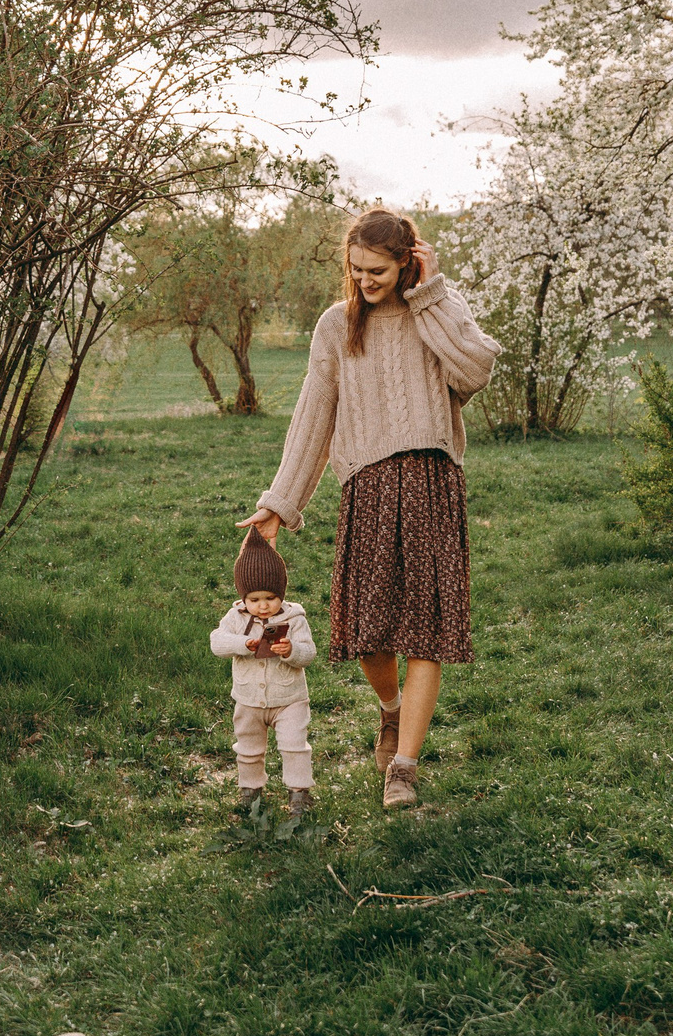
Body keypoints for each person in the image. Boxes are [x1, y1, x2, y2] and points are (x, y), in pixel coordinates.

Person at [239, 207, 500, 810]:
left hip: (433, 484)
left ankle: (403, 768)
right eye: (355, 269)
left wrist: (431, 293)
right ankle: (390, 707)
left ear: (407, 261)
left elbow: (476, 370)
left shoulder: (435, 307)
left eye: (377, 270)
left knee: (426, 634)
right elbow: (313, 416)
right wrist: (280, 502)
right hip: (369, 488)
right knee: (371, 637)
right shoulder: (337, 326)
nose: (365, 280)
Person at [210, 528, 319, 816]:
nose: (263, 606)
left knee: (295, 746)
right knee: (248, 746)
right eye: (254, 599)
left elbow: (309, 653)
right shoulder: (235, 617)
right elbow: (217, 643)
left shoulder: (294, 617)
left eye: (270, 597)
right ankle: (250, 790)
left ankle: (299, 793)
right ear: (243, 596)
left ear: (281, 594)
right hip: (248, 699)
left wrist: (291, 650)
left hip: (289, 698)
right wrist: (243, 644)